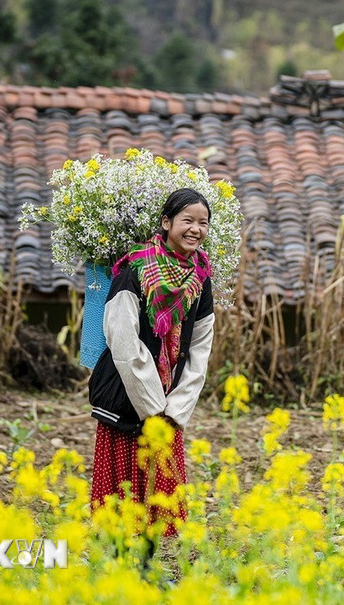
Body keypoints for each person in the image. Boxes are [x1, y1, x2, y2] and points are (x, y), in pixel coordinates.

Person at [90, 188, 215, 541]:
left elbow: (200, 349)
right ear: (166, 222)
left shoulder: (200, 279)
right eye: (187, 220)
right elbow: (124, 343)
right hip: (126, 395)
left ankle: (144, 573)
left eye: (203, 223)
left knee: (157, 513)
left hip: (168, 402)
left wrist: (174, 410)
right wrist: (153, 408)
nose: (195, 229)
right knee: (121, 505)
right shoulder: (134, 271)